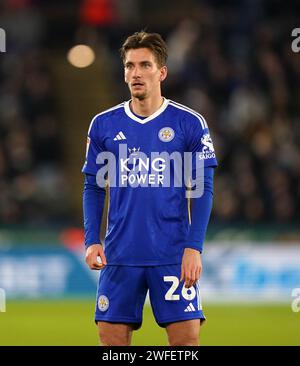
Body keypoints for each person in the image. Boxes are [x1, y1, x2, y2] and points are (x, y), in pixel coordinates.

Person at [82, 31, 217, 346]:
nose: (136, 73)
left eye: (144, 65)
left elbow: (203, 189)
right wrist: (91, 240)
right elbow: (93, 186)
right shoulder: (103, 124)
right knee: (112, 343)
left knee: (185, 342)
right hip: (119, 255)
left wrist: (194, 247)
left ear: (162, 72)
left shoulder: (189, 123)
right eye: (130, 66)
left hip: (172, 254)